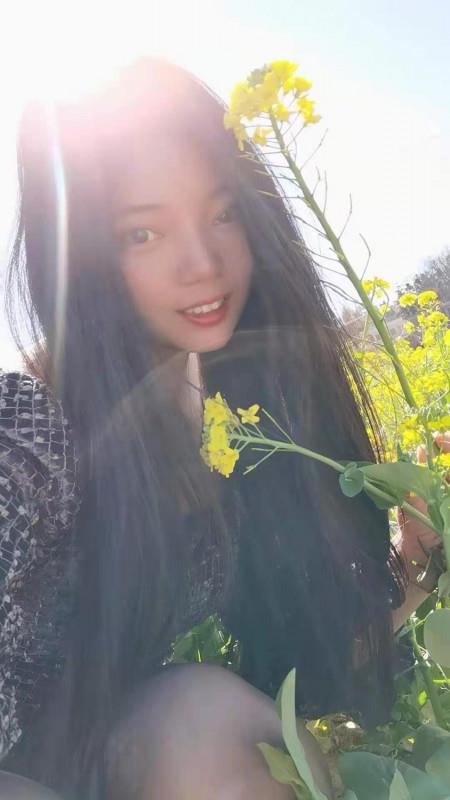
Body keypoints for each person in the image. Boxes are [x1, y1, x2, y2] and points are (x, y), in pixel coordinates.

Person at [0, 57, 445, 799]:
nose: (203, 264)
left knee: (206, 720)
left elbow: (307, 662)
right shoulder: (27, 435)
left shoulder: (234, 429)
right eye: (143, 233)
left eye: (223, 212)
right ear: (83, 255)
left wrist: (420, 562)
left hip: (90, 758)